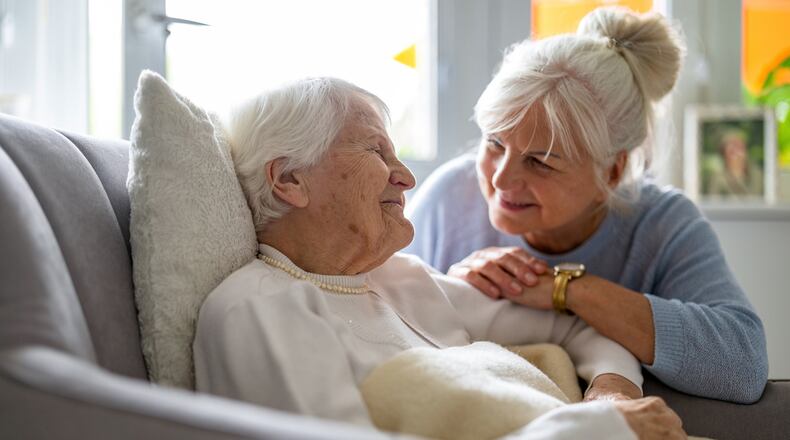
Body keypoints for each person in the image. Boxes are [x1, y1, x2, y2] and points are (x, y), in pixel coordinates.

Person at [193, 76, 685, 439]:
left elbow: (580, 328)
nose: (406, 177)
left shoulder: (402, 279)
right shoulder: (258, 308)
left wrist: (612, 395)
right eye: (376, 152)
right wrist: (599, 430)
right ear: (289, 180)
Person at [404, 7, 768, 404]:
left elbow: (743, 366)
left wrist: (566, 290)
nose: (501, 179)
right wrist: (449, 292)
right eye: (494, 143)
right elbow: (378, 324)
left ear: (612, 172)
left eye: (540, 162)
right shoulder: (448, 200)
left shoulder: (663, 224)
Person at [705, 128, 763, 197]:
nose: (736, 152)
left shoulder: (758, 174)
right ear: (723, 153)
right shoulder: (717, 179)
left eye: (739, 146)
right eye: (731, 148)